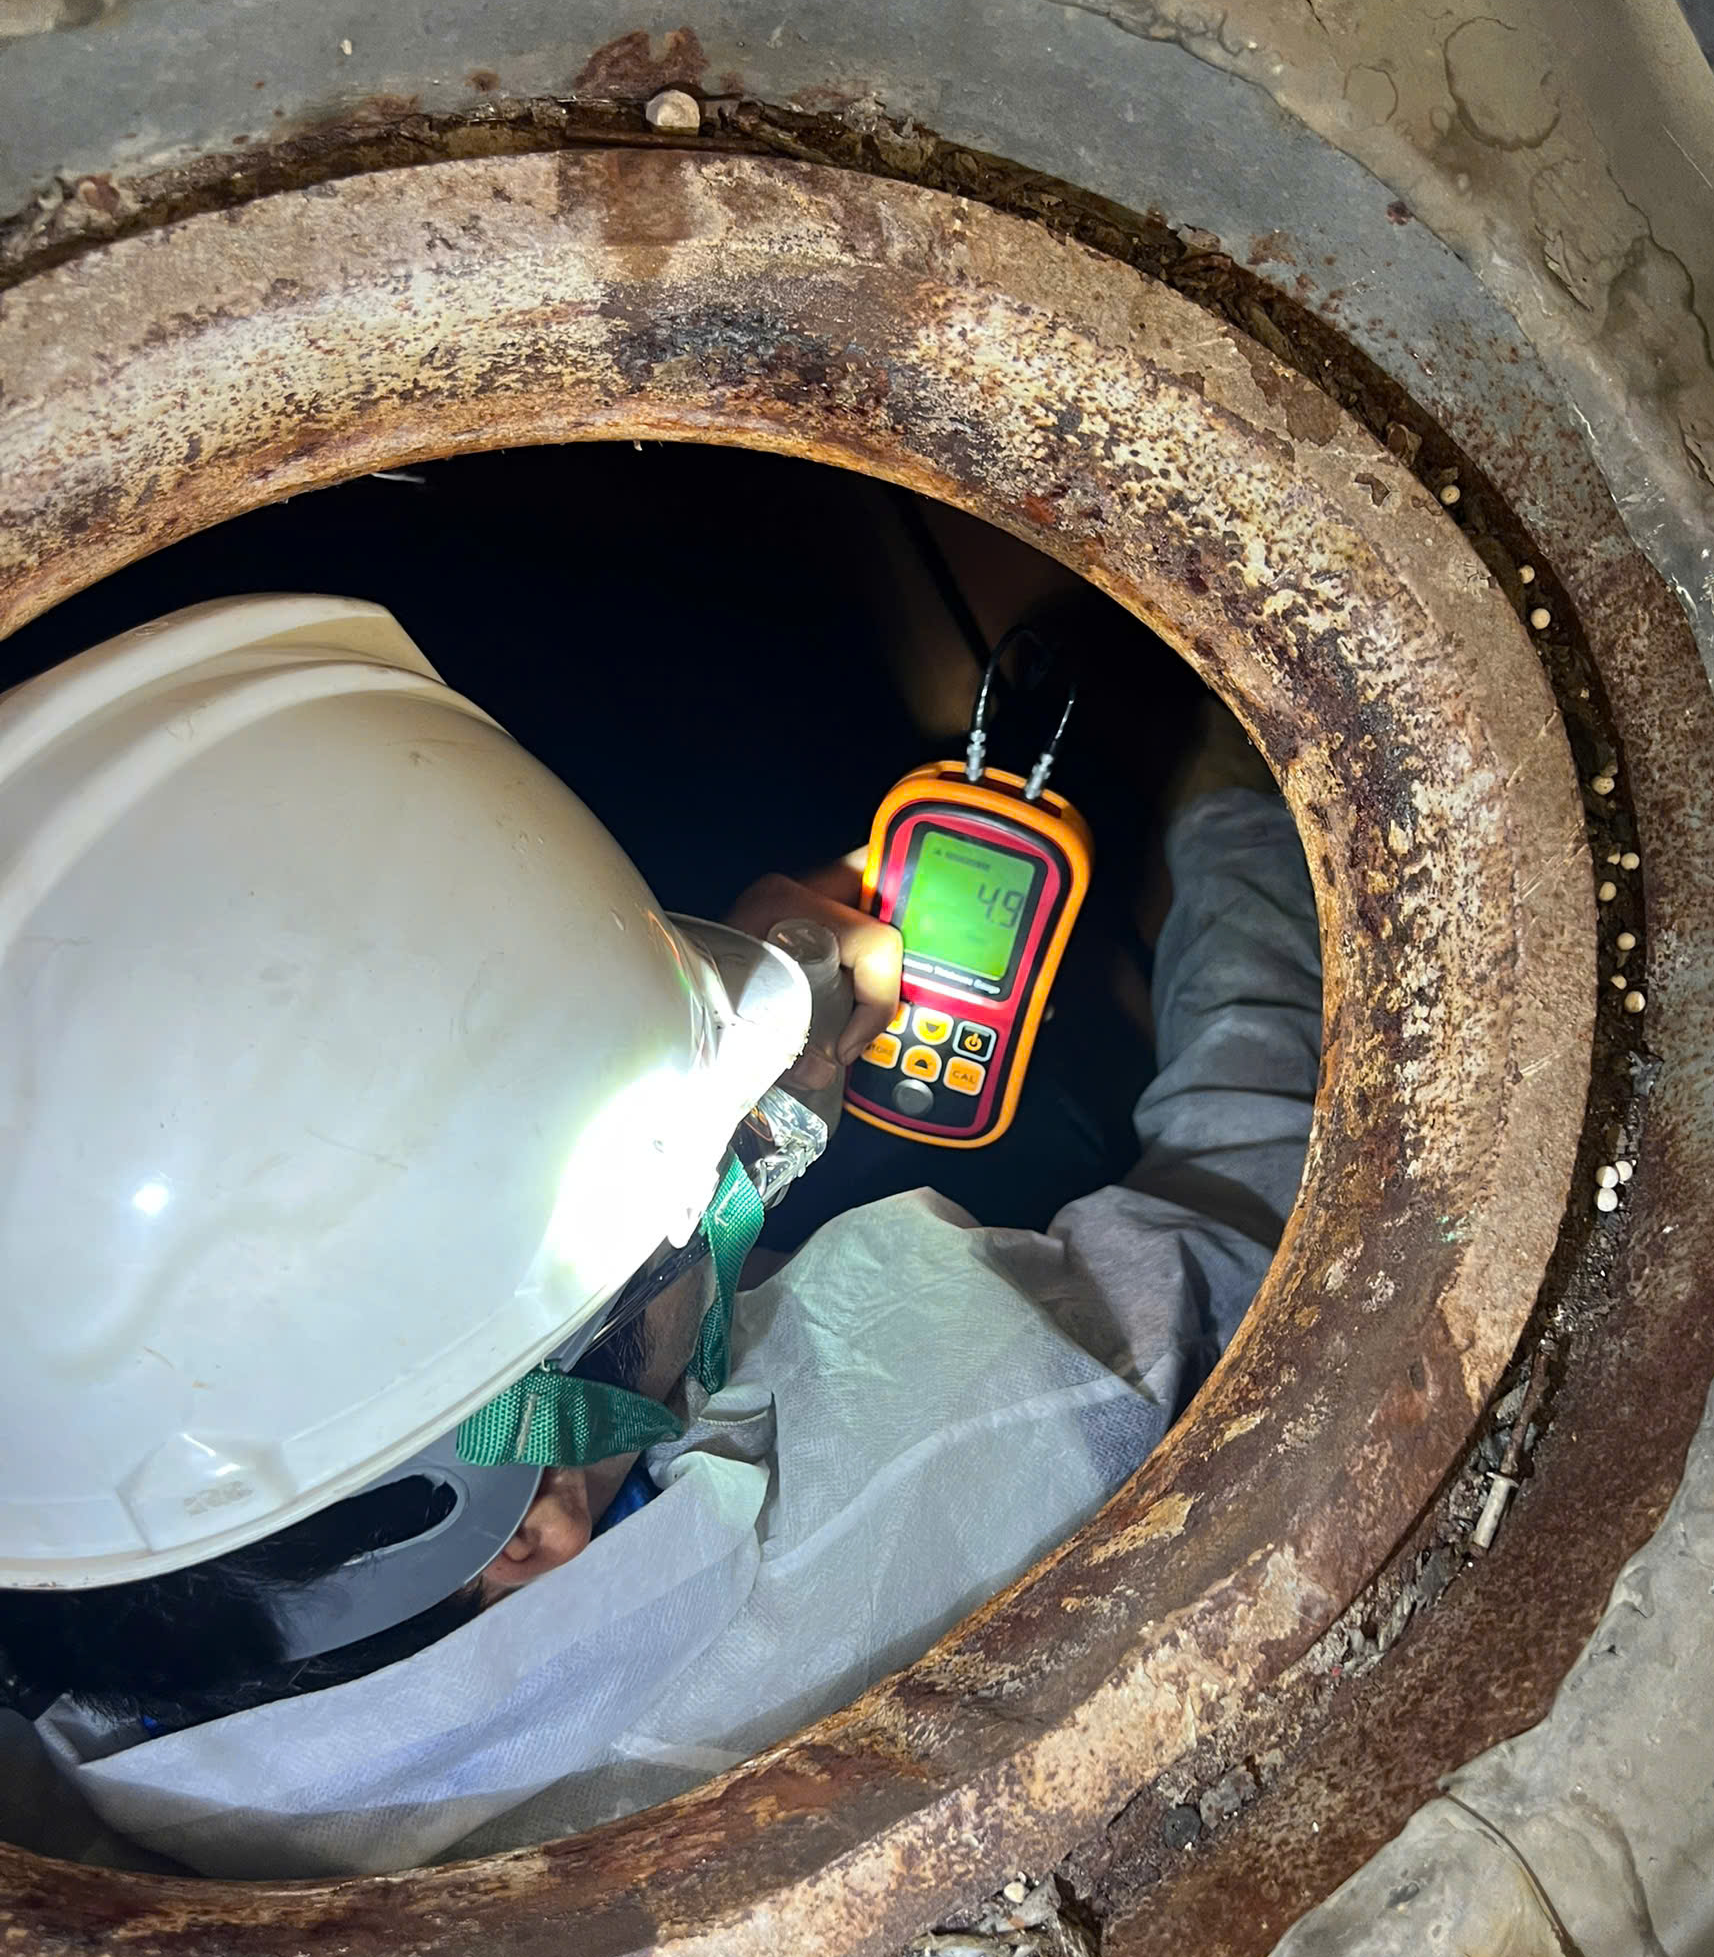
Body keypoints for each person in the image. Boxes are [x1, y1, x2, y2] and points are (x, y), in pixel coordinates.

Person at [0, 594, 1319, 1878]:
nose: (726, 1170)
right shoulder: (956, 1423)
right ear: (528, 1524)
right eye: (694, 1200)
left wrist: (711, 1026)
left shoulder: (61, 1748)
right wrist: (1244, 808)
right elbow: (1261, 1188)